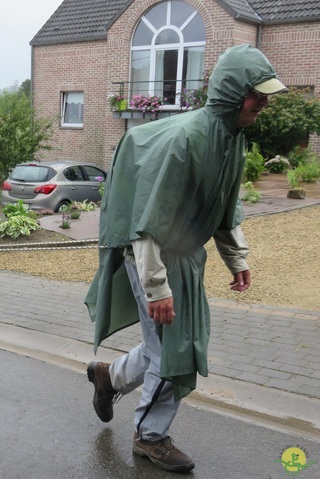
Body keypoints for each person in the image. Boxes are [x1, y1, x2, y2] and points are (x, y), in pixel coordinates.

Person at [84, 44, 288, 474]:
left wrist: (237, 259)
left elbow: (225, 205)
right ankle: (150, 437)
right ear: (234, 92)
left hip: (188, 259)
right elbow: (149, 220)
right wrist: (155, 286)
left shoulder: (233, 139)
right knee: (172, 355)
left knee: (176, 346)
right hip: (154, 258)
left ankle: (110, 376)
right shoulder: (184, 140)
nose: (265, 103)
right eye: (258, 94)